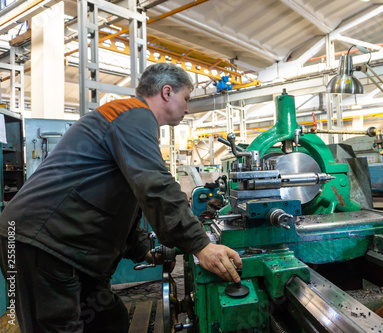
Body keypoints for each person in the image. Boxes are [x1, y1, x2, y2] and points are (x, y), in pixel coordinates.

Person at [0, 63, 242, 332]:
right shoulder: (132, 114)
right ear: (166, 92)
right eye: (186, 98)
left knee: (108, 319)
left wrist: (144, 249)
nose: (187, 108)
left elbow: (119, 200)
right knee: (57, 325)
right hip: (40, 241)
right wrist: (201, 245)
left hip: (67, 244)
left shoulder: (132, 119)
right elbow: (155, 184)